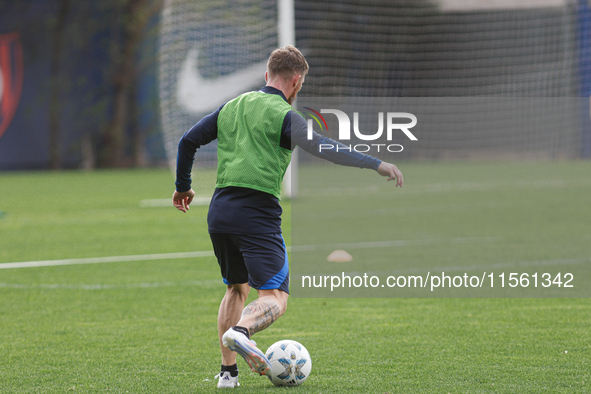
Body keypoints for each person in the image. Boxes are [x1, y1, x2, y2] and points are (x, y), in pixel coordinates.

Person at [172, 45, 403, 389]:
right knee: (276, 298)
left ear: (267, 75)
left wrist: (183, 187)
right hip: (256, 213)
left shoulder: (232, 106)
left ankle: (227, 375)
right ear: (296, 82)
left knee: (237, 288)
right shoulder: (285, 116)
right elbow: (327, 148)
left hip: (219, 212)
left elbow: (188, 141)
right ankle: (241, 332)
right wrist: (376, 163)